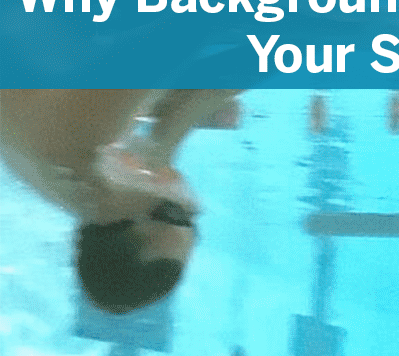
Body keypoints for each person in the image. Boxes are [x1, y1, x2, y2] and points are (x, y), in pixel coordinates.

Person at [0, 88, 241, 313]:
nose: (187, 194)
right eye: (193, 222)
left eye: (172, 212)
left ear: (118, 217)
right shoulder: (67, 181)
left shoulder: (82, 138)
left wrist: (174, 130)